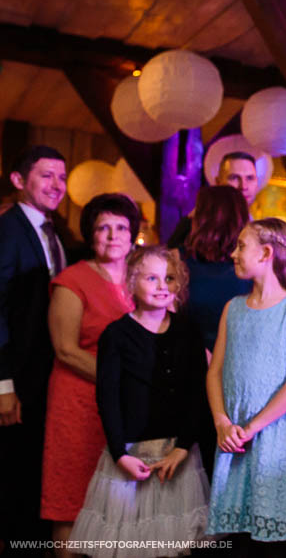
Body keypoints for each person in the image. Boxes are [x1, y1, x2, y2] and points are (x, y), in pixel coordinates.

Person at [70, 246, 210, 555]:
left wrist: (183, 448)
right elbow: (107, 398)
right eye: (152, 278)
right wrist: (120, 454)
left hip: (178, 455)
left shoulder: (188, 332)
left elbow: (198, 394)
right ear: (132, 282)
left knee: (174, 542)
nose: (162, 287)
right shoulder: (116, 335)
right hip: (132, 454)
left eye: (169, 278)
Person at [206, 218, 286, 554]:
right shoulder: (233, 308)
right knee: (237, 539)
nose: (234, 253)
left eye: (241, 246)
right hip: (233, 434)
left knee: (274, 538)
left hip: (276, 434)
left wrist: (252, 427)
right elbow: (215, 372)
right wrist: (222, 422)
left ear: (266, 252)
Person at [41, 193, 140, 556]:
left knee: (119, 502)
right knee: (72, 500)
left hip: (127, 409)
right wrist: (121, 382)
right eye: (102, 228)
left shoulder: (143, 279)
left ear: (133, 235)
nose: (112, 236)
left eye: (121, 228)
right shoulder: (73, 280)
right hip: (79, 402)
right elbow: (66, 349)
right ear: (90, 235)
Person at [0, 145, 68, 550]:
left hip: (43, 376)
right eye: (46, 176)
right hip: (15, 379)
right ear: (19, 180)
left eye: (62, 177)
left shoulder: (51, 231)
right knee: (13, 479)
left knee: (29, 475)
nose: (57, 185)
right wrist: (3, 384)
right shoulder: (8, 230)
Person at [177, 185, 253, 353]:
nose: (192, 215)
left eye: (197, 209)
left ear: (205, 217)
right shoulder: (251, 267)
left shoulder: (180, 261)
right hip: (232, 358)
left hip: (190, 357)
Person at [167, 151, 260, 249]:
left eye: (250, 178)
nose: (243, 186)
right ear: (218, 182)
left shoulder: (257, 226)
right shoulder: (199, 223)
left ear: (257, 183)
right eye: (234, 178)